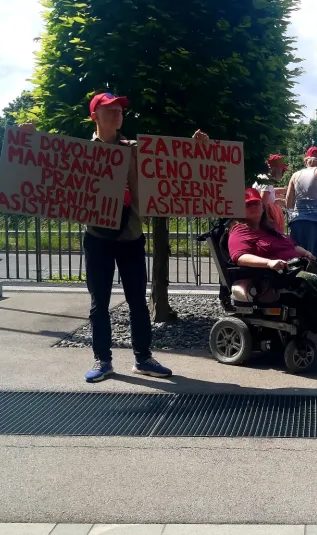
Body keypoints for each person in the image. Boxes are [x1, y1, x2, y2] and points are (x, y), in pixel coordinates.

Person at [20, 93, 206, 383]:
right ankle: (103, 360)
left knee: (138, 303)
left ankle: (143, 358)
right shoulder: (78, 153)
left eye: (120, 110)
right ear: (94, 116)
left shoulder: (135, 150)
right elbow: (42, 167)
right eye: (110, 110)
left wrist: (196, 148)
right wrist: (28, 140)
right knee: (99, 304)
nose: (117, 114)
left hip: (131, 235)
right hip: (98, 238)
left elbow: (173, 162)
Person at [229, 188, 317, 350]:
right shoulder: (240, 231)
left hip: (298, 266)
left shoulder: (269, 228)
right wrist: (269, 263)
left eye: (256, 203)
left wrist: (306, 253)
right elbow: (240, 257)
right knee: (313, 281)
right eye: (248, 205)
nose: (253, 206)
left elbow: (292, 245)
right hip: (276, 275)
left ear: (262, 206)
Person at [252, 154, 289, 233]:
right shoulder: (266, 182)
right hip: (266, 223)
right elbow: (263, 203)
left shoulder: (262, 177)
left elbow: (269, 193)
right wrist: (270, 223)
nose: (282, 174)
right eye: (282, 171)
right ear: (276, 169)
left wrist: (285, 191)